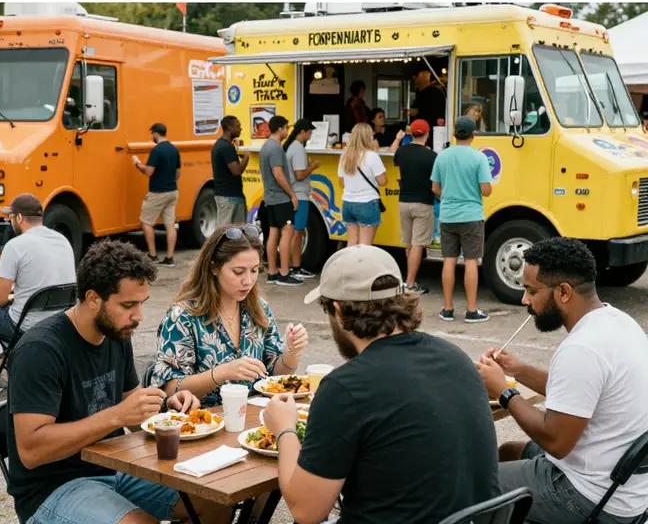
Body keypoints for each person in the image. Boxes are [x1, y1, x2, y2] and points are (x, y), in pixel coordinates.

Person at [263, 245, 501, 524]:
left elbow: (306, 511)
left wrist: (285, 429)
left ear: (338, 311)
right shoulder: (456, 357)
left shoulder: (346, 387)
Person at [6, 238, 230, 524]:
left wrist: (168, 411)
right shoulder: (41, 349)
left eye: (141, 303)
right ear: (92, 298)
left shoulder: (116, 332)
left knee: (214, 500)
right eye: (128, 305)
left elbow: (134, 410)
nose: (138, 316)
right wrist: (115, 417)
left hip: (117, 468)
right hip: (54, 488)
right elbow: (31, 450)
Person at [477, 238, 648, 524]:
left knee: (472, 483)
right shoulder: (617, 321)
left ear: (564, 292)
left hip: (593, 497)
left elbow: (555, 441)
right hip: (623, 487)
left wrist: (504, 391)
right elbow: (577, 394)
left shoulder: (581, 348)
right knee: (508, 452)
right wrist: (516, 369)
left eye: (532, 291)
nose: (525, 300)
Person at [152, 225, 308, 407]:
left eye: (255, 270)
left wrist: (291, 351)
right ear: (214, 268)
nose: (248, 281)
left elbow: (273, 377)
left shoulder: (258, 307)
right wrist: (221, 373)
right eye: (238, 272)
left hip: (253, 422)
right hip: (202, 424)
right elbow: (167, 389)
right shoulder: (184, 316)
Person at [0, 194, 76, 395]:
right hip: (62, 319)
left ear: (19, 218)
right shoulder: (62, 239)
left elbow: (0, 299)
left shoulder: (15, 245)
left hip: (27, 323)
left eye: (9, 217)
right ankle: (3, 359)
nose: (8, 221)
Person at [431, 116, 492, 323]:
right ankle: (471, 310)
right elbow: (486, 190)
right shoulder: (479, 158)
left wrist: (448, 196)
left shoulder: (442, 157)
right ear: (473, 134)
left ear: (454, 134)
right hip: (472, 215)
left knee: (448, 260)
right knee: (471, 261)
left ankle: (447, 309)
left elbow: (435, 188)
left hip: (447, 215)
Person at [393, 119, 436, 295]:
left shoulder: (401, 152)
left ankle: (408, 281)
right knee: (418, 244)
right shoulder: (431, 156)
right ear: (427, 134)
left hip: (403, 202)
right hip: (423, 203)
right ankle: (410, 283)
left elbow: (393, 159)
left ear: (411, 133)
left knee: (408, 243)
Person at [259, 115, 302, 286]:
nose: (287, 131)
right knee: (287, 231)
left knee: (273, 233)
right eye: (286, 128)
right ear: (279, 129)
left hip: (269, 197)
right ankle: (284, 273)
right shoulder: (276, 148)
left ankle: (272, 272)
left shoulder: (265, 147)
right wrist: (292, 194)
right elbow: (278, 174)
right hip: (280, 197)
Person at [133, 123, 181, 266]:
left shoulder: (157, 151)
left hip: (157, 192)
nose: (151, 137)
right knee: (170, 225)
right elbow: (178, 174)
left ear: (155, 133)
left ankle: (152, 255)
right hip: (173, 191)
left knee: (146, 222)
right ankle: (169, 258)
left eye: (151, 134)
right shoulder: (174, 149)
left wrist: (137, 163)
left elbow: (149, 171)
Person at [338, 123, 387, 247]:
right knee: (365, 245)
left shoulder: (344, 156)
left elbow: (341, 182)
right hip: (367, 203)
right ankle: (362, 267)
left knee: (352, 242)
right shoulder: (372, 156)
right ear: (368, 137)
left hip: (347, 203)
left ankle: (349, 266)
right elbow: (382, 181)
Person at [283, 119, 319, 280]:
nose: (311, 135)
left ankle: (295, 266)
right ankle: (295, 267)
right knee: (298, 233)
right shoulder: (297, 149)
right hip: (300, 194)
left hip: (296, 194)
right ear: (303, 132)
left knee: (297, 232)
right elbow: (299, 175)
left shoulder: (292, 147)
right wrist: (313, 166)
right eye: (309, 132)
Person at [211, 115, 249, 226]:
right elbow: (236, 171)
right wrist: (246, 158)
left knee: (235, 233)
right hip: (228, 197)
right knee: (226, 232)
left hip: (230, 195)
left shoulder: (222, 145)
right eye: (237, 126)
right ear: (229, 128)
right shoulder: (226, 147)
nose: (240, 129)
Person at [409, 69, 446, 140]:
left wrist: (417, 112)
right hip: (418, 133)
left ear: (425, 74)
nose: (414, 78)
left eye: (416, 75)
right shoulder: (419, 94)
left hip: (433, 134)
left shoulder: (435, 93)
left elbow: (436, 113)